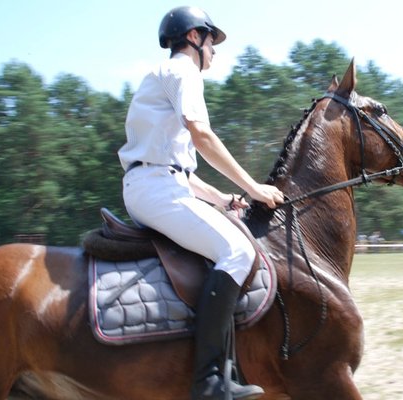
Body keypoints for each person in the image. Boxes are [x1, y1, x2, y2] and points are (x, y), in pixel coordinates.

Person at [118, 6, 284, 399]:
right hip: (154, 188)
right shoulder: (183, 72)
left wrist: (223, 198)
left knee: (227, 245)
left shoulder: (166, 77)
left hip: (157, 183)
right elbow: (203, 137)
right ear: (195, 37)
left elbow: (180, 171)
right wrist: (254, 187)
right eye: (213, 41)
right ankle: (210, 382)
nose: (215, 51)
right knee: (240, 252)